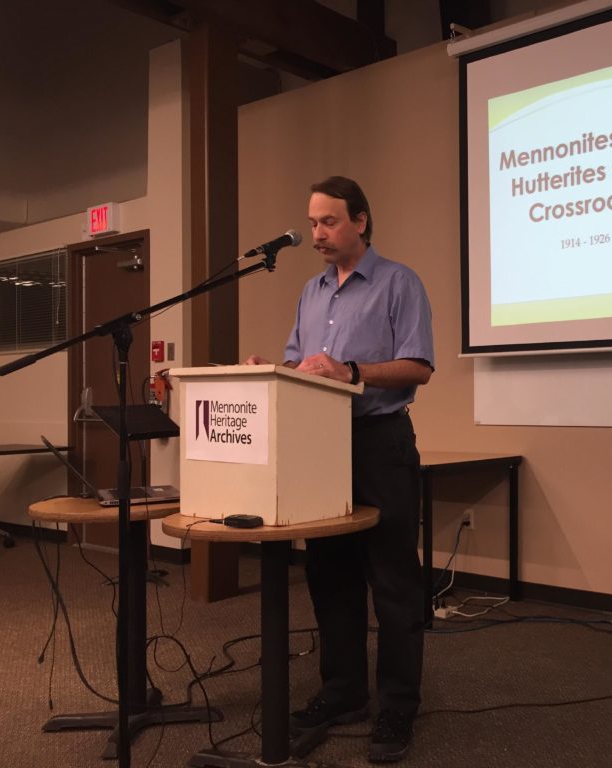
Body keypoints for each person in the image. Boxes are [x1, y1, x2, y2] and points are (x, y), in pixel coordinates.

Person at [244, 176, 434, 762]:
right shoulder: (310, 291)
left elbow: (418, 367)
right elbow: (305, 366)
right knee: (330, 576)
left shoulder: (400, 282)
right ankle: (344, 691)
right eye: (313, 222)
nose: (317, 234)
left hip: (381, 443)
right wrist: (268, 369)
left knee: (395, 583)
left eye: (328, 222)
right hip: (321, 449)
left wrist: (353, 371)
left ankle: (397, 706)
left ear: (361, 220)